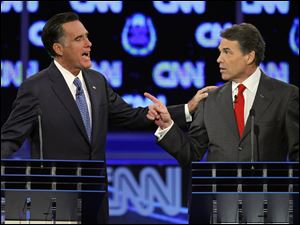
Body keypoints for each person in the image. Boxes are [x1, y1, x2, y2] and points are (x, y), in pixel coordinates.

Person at [0, 12, 214, 224]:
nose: (89, 43)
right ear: (58, 49)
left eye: (87, 36)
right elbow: (10, 139)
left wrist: (187, 108)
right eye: (79, 39)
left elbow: (131, 117)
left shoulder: (97, 82)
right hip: (54, 202)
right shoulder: (36, 87)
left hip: (96, 199)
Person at [145, 23, 299, 223]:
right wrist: (167, 126)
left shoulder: (286, 96)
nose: (219, 59)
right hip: (219, 210)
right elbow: (191, 153)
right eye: (219, 52)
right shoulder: (210, 100)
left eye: (227, 52)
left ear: (249, 56)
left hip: (269, 210)